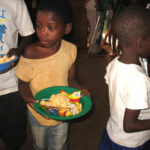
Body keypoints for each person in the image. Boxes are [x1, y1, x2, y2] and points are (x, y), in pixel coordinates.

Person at [15, 0, 90, 150]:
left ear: (66, 28)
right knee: (40, 145)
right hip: (37, 113)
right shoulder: (30, 52)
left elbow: (72, 79)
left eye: (51, 27)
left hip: (61, 114)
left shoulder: (70, 50)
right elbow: (22, 82)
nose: (43, 32)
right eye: (39, 25)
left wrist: (80, 90)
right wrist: (30, 100)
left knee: (59, 145)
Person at [99, 5, 150, 150]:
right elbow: (129, 125)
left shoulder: (114, 64)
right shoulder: (139, 80)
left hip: (112, 132)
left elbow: (111, 93)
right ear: (140, 42)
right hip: (131, 143)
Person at [0, 0, 35, 150]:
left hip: (10, 85)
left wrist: (18, 50)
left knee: (14, 136)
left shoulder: (15, 2)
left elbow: (28, 35)